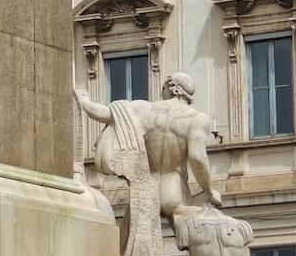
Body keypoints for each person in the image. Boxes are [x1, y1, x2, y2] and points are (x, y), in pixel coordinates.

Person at [76, 71, 222, 222]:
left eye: (163, 88)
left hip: (144, 192)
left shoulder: (142, 108)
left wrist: (84, 100)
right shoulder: (197, 119)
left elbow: (104, 113)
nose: (160, 93)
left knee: (133, 243)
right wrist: (209, 191)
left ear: (171, 88)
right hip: (173, 191)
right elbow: (197, 158)